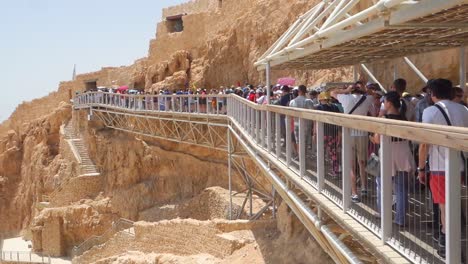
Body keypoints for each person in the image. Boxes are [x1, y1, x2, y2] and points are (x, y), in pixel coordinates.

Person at [418, 79, 468, 258]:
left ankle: (451, 249)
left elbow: (424, 144)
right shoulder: (463, 109)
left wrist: (421, 168)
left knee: (444, 209)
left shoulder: (430, 112)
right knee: (453, 206)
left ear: (432, 93)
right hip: (460, 166)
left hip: (440, 167)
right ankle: (451, 245)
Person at [370, 91, 415, 226]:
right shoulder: (404, 118)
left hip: (387, 153)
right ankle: (400, 219)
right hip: (403, 153)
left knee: (382, 185)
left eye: (384, 102)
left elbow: (377, 139)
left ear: (388, 103)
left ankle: (383, 213)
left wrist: (370, 138)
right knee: (401, 189)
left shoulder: (384, 119)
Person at [331, 82, 373, 203]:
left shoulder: (345, 97)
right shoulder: (367, 98)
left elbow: (332, 93)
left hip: (348, 134)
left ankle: (354, 193)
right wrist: (365, 88)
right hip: (362, 134)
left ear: (351, 90)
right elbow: (373, 94)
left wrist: (346, 90)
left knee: (351, 166)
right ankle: (364, 187)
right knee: (362, 162)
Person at [316, 92, 341, 177]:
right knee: (333, 153)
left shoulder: (318, 108)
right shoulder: (335, 107)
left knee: (320, 151)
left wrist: (314, 133)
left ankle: (320, 171)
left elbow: (316, 121)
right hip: (333, 133)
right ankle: (335, 170)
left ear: (321, 99)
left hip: (322, 133)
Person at [289, 85, 314, 156]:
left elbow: (291, 115)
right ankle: (304, 156)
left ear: (299, 91)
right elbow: (312, 114)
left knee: (298, 141)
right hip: (307, 124)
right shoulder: (309, 101)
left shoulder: (292, 102)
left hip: (296, 124)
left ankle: (301, 157)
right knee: (305, 141)